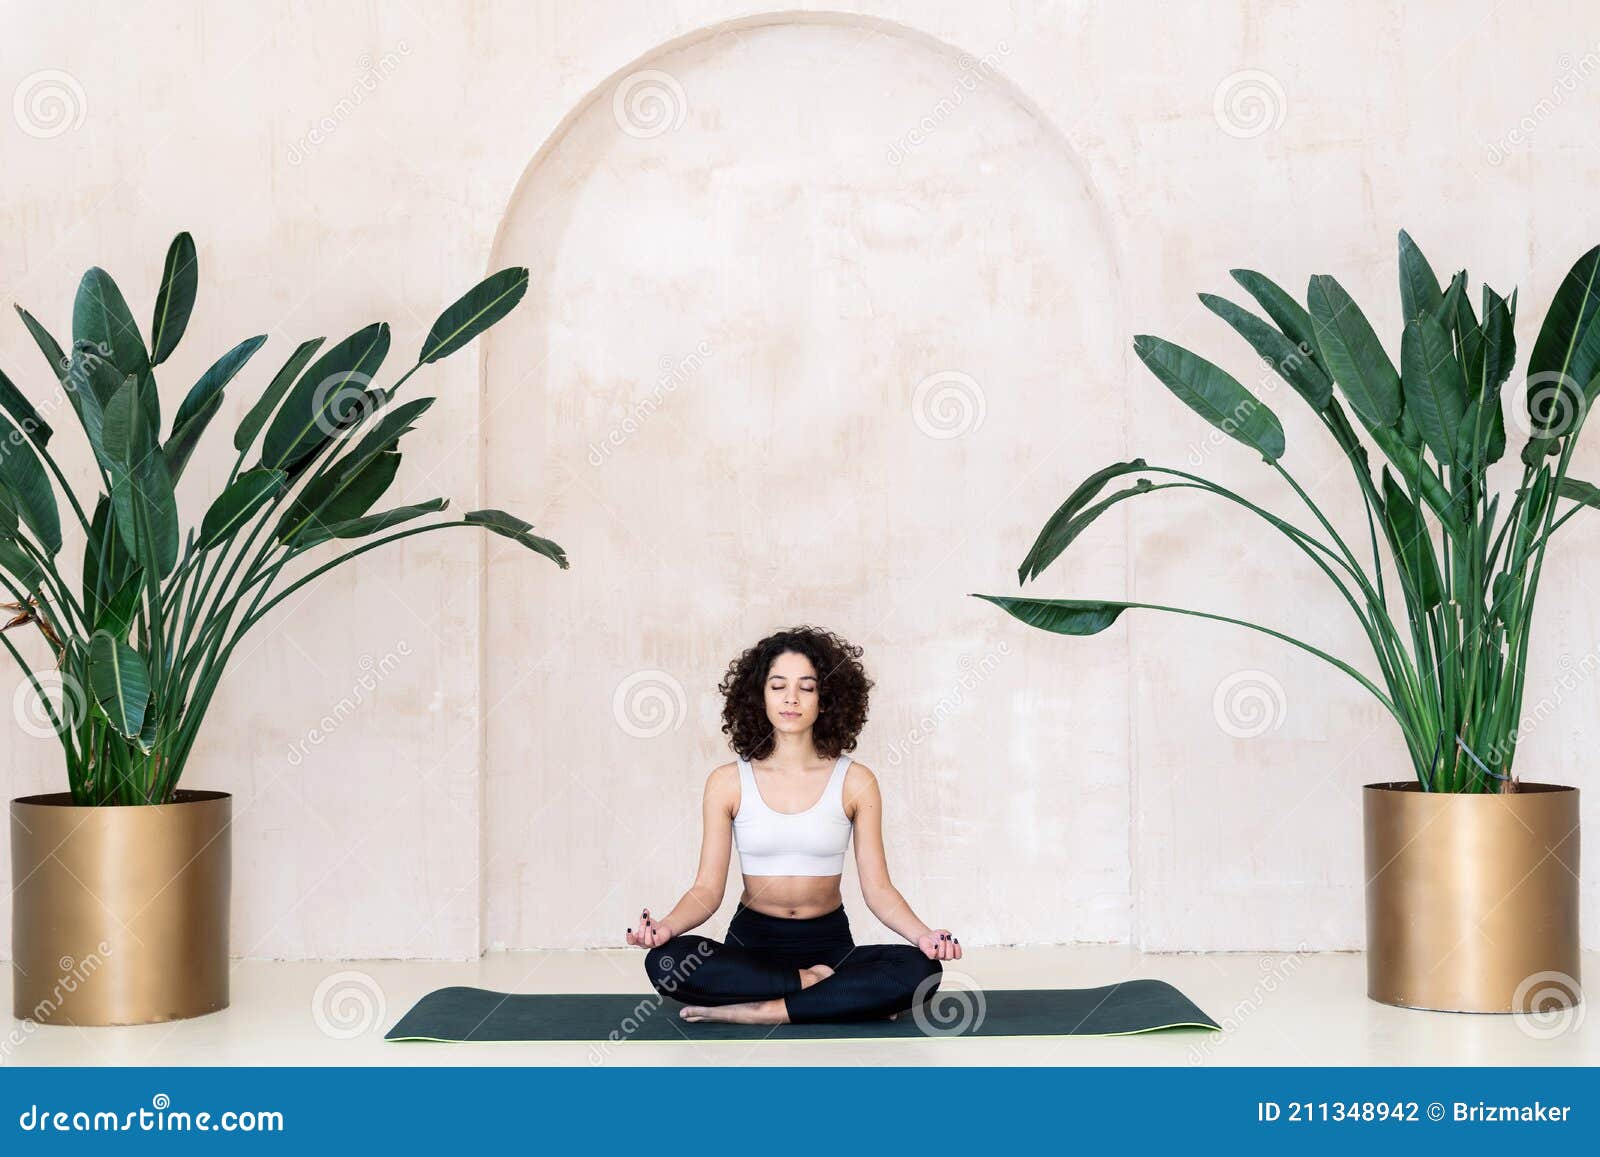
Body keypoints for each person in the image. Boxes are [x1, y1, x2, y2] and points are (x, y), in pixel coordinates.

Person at [626, 625, 962, 1024]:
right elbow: (706, 890)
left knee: (921, 970)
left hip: (830, 946)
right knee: (665, 963)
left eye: (807, 687)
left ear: (826, 698)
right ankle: (819, 990)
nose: (791, 698)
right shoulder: (727, 782)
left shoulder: (856, 781)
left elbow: (879, 889)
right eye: (778, 686)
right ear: (759, 697)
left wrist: (923, 936)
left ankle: (762, 1010)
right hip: (751, 947)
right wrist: (665, 927)